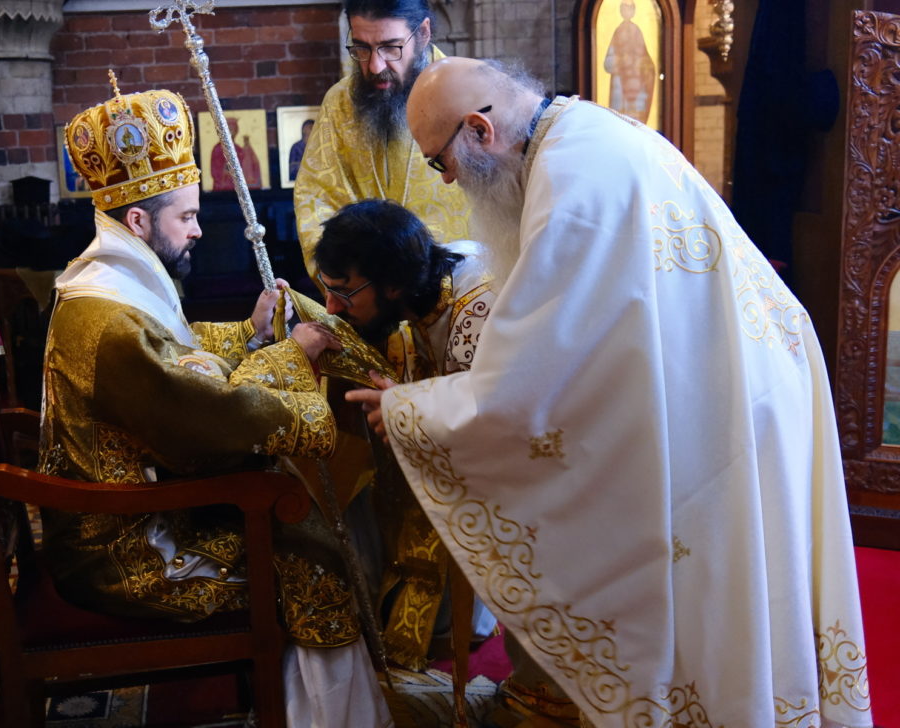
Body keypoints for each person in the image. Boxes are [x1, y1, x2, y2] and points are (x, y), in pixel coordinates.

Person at [348, 57, 874, 727]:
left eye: (437, 161)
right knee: (729, 591)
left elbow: (526, 384)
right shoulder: (576, 137)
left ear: (480, 130)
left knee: (716, 592)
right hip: (738, 387)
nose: (446, 181)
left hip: (730, 408)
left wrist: (409, 412)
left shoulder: (573, 182)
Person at [41, 82, 392, 727]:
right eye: (186, 217)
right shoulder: (109, 318)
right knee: (313, 555)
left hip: (142, 505)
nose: (201, 229)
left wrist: (256, 333)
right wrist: (295, 355)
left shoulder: (113, 279)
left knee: (301, 523)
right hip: (126, 546)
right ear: (139, 221)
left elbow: (181, 354)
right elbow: (205, 420)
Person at [313, 199, 497, 670]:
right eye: (326, 290)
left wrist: (407, 410)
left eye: (345, 293)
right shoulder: (425, 280)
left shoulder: (480, 309)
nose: (333, 306)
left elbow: (495, 420)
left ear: (393, 284)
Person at [293, 0, 470, 281]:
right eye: (362, 47)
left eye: (390, 47)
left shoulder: (470, 93)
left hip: (462, 292)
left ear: (423, 34)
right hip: (369, 296)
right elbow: (316, 203)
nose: (375, 66)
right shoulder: (340, 104)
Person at [603, 0, 656, 124]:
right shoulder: (618, 31)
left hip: (638, 85)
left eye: (629, 8)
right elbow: (608, 64)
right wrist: (621, 61)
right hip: (620, 86)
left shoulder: (637, 31)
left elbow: (646, 60)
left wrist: (640, 64)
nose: (626, 11)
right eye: (624, 8)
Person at [210, 116, 262, 190]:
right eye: (229, 129)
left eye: (233, 129)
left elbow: (247, 167)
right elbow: (215, 172)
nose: (231, 132)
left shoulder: (239, 149)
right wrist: (227, 171)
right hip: (223, 189)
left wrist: (248, 151)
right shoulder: (218, 149)